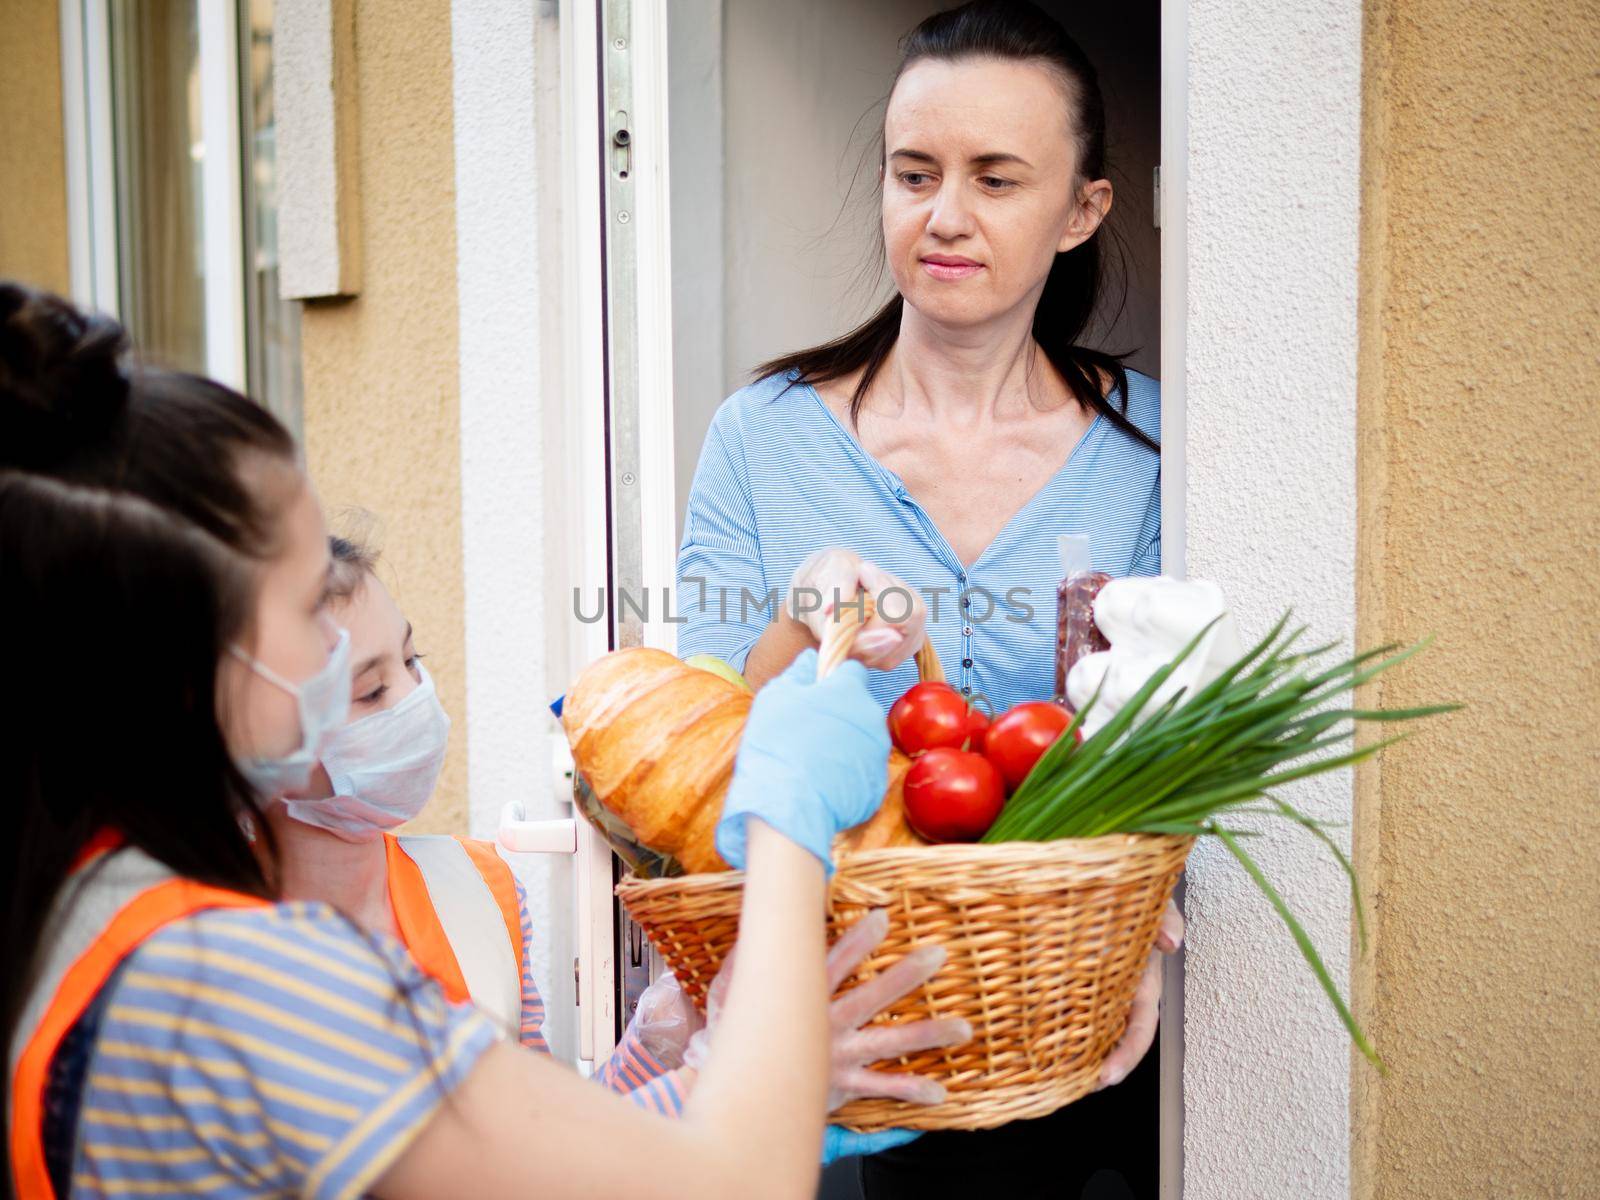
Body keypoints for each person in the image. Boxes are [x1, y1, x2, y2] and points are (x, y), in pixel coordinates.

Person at [0, 281, 926, 1199]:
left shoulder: (79, 906)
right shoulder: (231, 981)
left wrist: (722, 1066)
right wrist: (787, 825)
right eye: (300, 603)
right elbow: (736, 1183)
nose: (330, 644)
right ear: (184, 665)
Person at [676, 2, 1180, 1195]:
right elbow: (691, 747)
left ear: (1082, 211)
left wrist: (1152, 926)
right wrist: (809, 623)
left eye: (996, 179)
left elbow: (1168, 735)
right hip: (846, 1028)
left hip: (1076, 1026)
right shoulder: (764, 437)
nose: (944, 215)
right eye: (915, 173)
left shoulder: (1152, 447)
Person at [268, 528, 966, 1134]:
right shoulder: (227, 952)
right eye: (371, 691)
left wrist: (665, 1043)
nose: (416, 701)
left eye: (414, 662)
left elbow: (556, 1133)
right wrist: (726, 1081)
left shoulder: (478, 887)